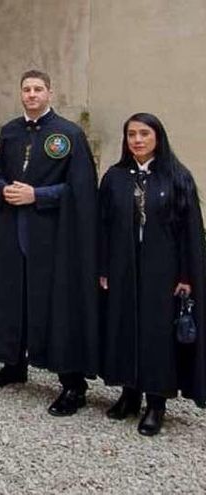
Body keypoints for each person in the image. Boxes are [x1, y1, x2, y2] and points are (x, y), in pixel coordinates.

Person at [0, 70, 99, 416]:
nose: (31, 95)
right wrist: (3, 189)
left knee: (54, 306)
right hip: (10, 230)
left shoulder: (69, 134)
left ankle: (73, 384)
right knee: (12, 299)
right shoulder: (11, 131)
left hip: (51, 237)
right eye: (26, 90)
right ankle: (14, 364)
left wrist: (37, 194)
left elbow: (80, 190)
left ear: (50, 92)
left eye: (37, 89)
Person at [98, 113, 206, 436]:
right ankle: (129, 393)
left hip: (164, 272)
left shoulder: (176, 177)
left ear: (158, 136)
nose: (138, 140)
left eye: (144, 133)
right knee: (124, 328)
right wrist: (102, 267)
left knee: (156, 335)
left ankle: (156, 404)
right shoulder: (115, 177)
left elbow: (191, 232)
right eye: (131, 134)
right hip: (122, 268)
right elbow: (102, 227)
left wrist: (187, 274)